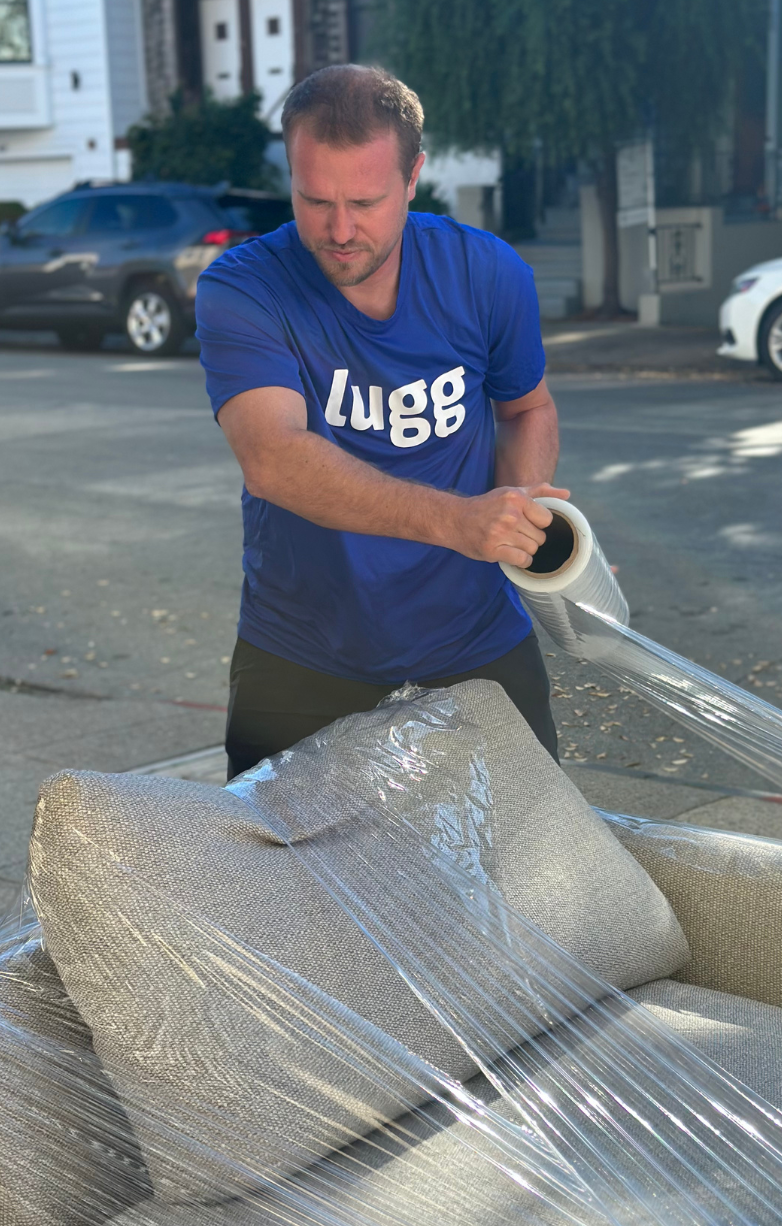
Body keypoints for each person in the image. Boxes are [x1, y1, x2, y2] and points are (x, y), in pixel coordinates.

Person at [197, 64, 568, 776]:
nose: (339, 231)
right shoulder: (242, 287)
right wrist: (460, 522)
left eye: (365, 202)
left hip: (475, 639)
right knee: (280, 878)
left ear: (413, 177)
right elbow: (273, 457)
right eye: (314, 200)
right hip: (302, 649)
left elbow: (527, 409)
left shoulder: (488, 273)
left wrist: (518, 515)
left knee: (525, 860)